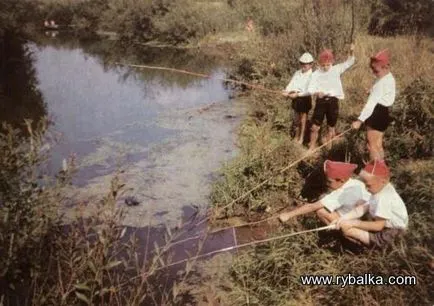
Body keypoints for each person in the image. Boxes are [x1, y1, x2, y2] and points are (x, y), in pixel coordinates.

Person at [333, 160, 408, 248]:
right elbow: (363, 208)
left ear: (383, 181)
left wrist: (353, 223)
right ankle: (365, 242)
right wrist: (342, 218)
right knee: (358, 211)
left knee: (349, 230)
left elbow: (378, 226)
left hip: (394, 232)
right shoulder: (379, 189)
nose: (366, 189)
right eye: (364, 185)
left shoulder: (384, 198)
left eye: (368, 185)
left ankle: (365, 249)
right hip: (385, 226)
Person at [279, 160, 370, 224]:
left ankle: (342, 236)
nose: (327, 184)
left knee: (320, 211)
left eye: (329, 181)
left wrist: (288, 215)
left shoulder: (341, 194)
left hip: (357, 222)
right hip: (365, 218)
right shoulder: (356, 183)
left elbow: (313, 206)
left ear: (341, 180)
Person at [307, 44, 355, 151]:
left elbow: (350, 62)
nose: (325, 67)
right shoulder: (316, 74)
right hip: (321, 101)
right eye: (323, 65)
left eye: (328, 65)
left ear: (332, 63)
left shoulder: (336, 69)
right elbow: (310, 88)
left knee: (331, 126)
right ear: (319, 64)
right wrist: (317, 92)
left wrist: (351, 51)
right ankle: (311, 148)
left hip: (333, 101)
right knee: (315, 126)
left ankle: (328, 149)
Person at [352, 49, 396, 161]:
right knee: (378, 144)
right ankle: (382, 170)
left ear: (385, 67)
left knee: (371, 146)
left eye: (376, 70)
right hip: (384, 112)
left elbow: (370, 105)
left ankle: (375, 173)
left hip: (376, 113)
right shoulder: (389, 77)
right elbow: (385, 93)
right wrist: (372, 91)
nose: (373, 72)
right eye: (372, 69)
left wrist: (359, 121)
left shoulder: (380, 83)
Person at [283, 52, 314, 144]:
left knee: (303, 120)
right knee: (296, 119)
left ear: (311, 64)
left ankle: (301, 138)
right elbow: (291, 84)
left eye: (306, 63)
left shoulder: (312, 75)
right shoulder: (297, 73)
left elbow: (310, 91)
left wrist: (298, 94)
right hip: (295, 98)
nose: (304, 65)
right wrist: (286, 91)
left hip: (304, 99)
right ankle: (296, 136)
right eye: (302, 63)